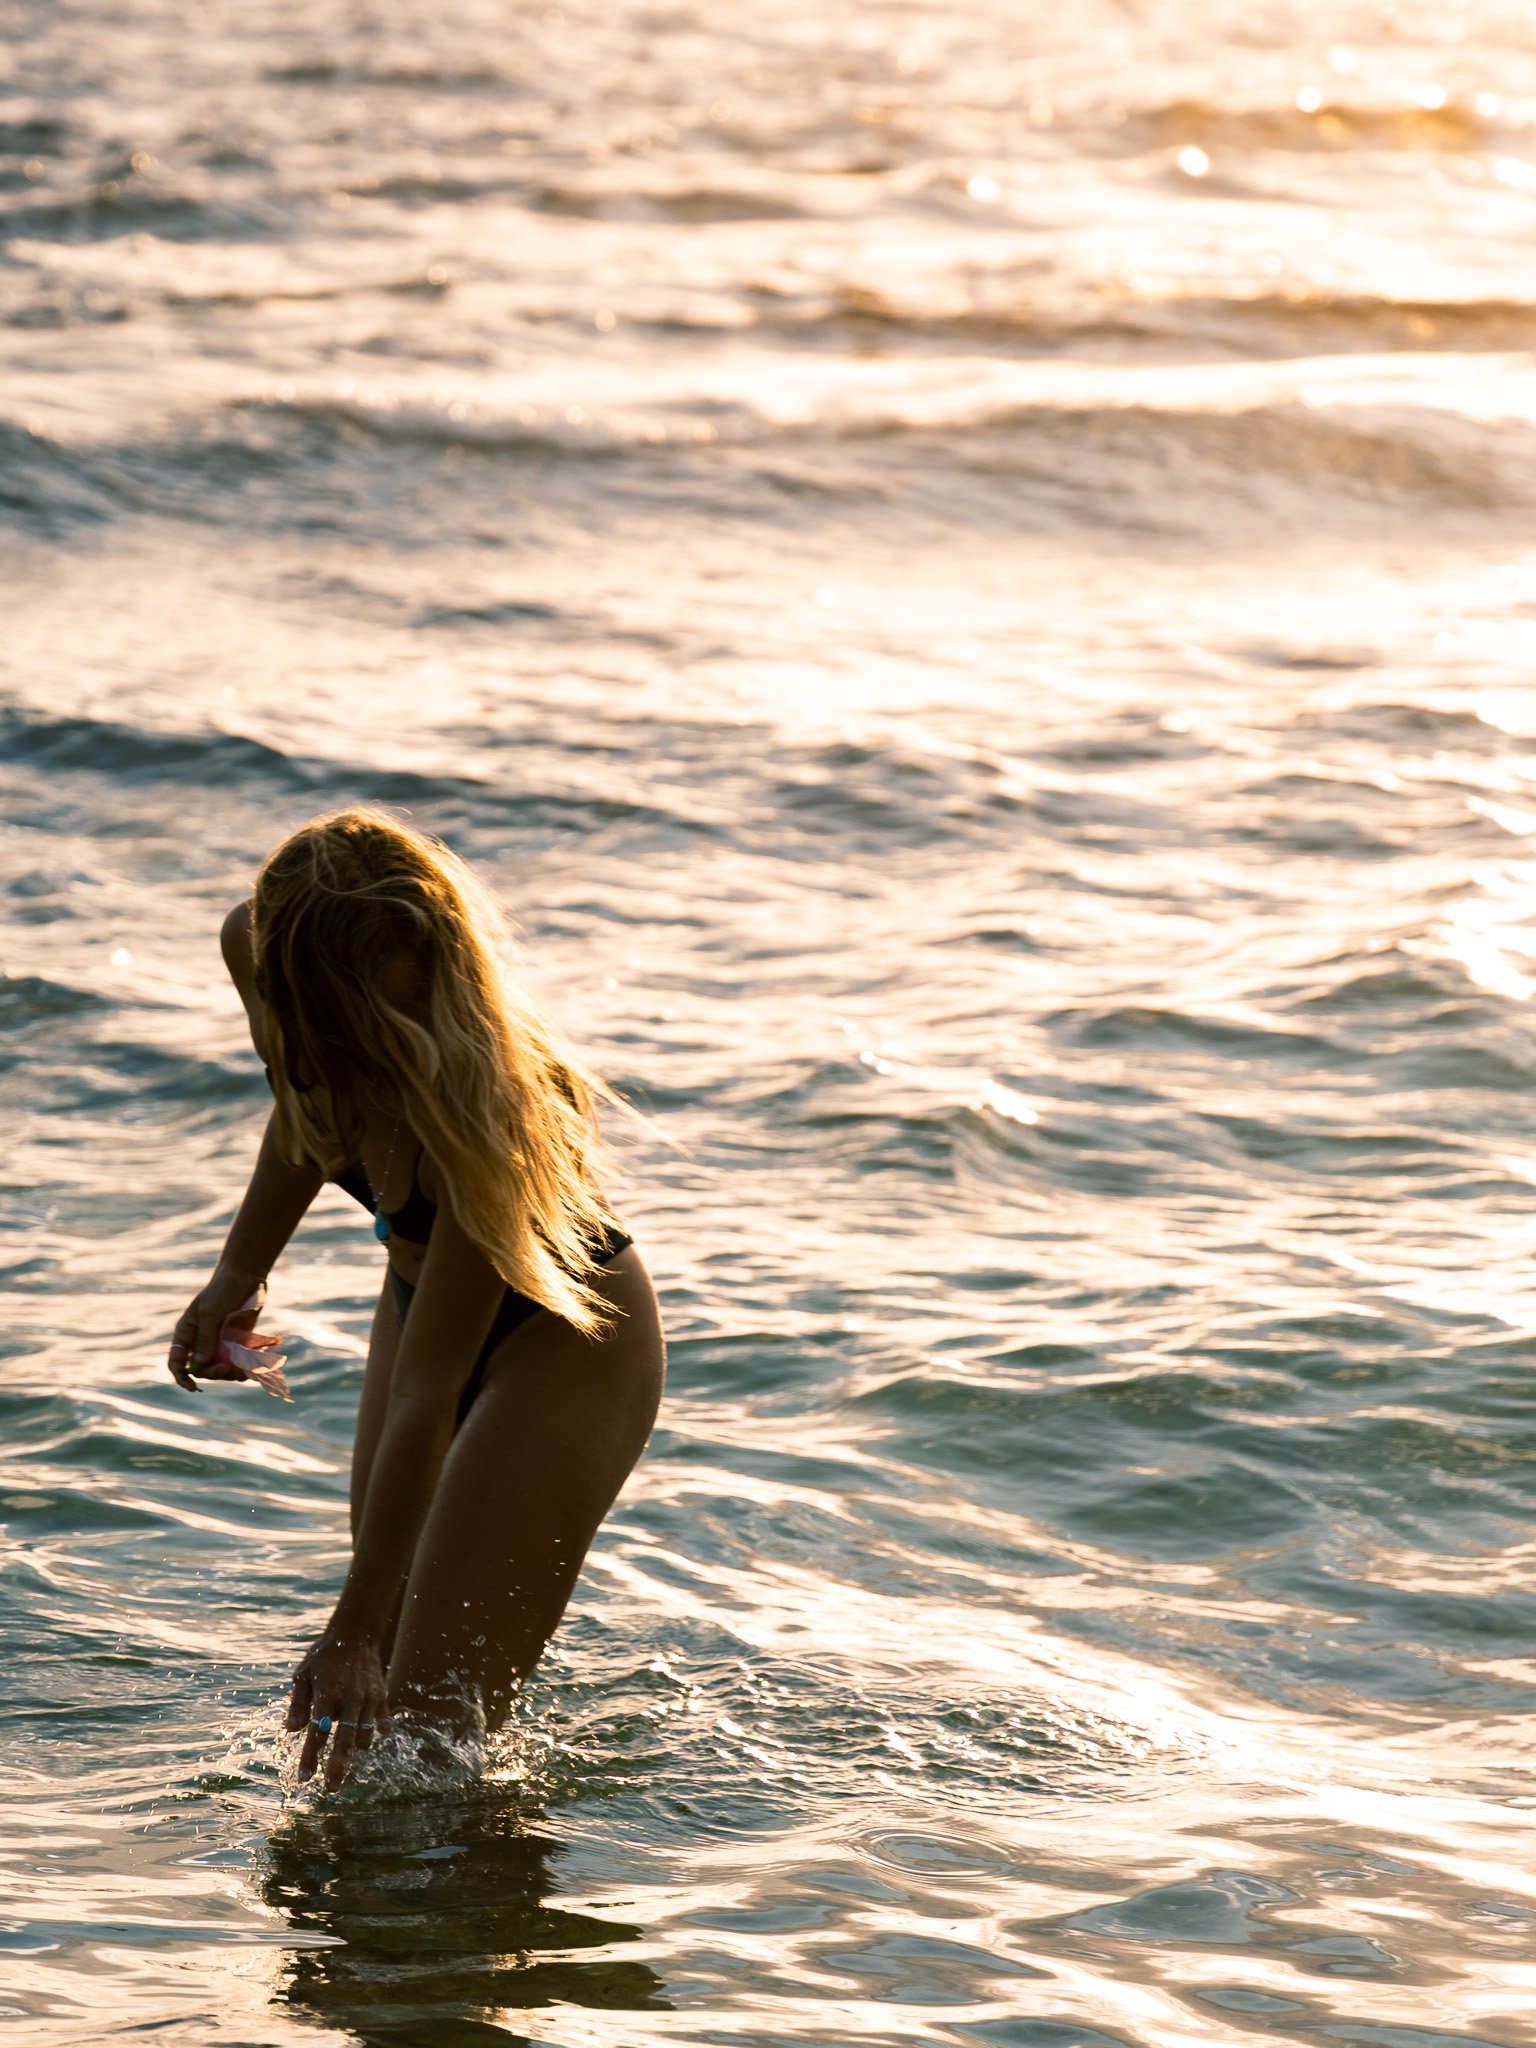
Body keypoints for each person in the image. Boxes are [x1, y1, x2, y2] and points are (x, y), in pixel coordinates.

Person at [165, 808, 664, 1789]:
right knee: (384, 1689)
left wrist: (344, 1630)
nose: (395, 1045)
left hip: (569, 1342)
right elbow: (298, 1104)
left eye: (411, 1006)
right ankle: (379, 1932)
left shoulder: (502, 1105)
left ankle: (478, 1909)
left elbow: (423, 1397)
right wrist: (238, 1271)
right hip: (413, 1288)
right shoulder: (254, 943)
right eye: (362, 1024)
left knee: (433, 1723)